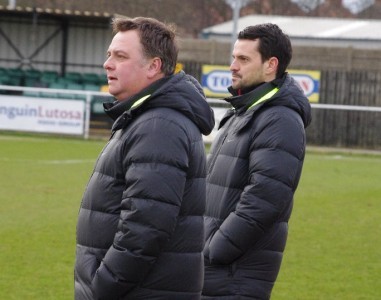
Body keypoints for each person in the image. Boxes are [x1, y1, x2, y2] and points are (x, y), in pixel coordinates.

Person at [74, 16, 215, 300]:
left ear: (154, 66)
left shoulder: (159, 126)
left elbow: (144, 228)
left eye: (121, 56)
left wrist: (102, 287)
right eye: (109, 54)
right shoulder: (145, 118)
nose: (108, 63)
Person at [202, 23, 312, 300]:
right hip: (213, 271)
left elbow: (265, 199)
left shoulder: (280, 119)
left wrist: (215, 250)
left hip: (234, 275)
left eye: (243, 59)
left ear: (270, 65)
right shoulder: (244, 111)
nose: (233, 66)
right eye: (233, 57)